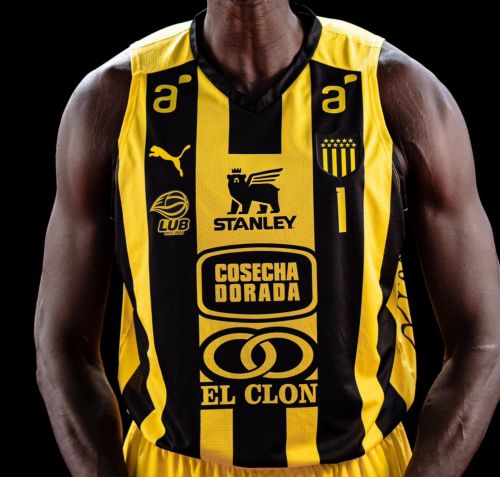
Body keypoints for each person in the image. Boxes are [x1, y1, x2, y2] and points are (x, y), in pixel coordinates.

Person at [34, 1, 500, 476]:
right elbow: (60, 342)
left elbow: (483, 340)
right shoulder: (116, 98)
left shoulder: (394, 89)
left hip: (362, 462)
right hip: (169, 463)